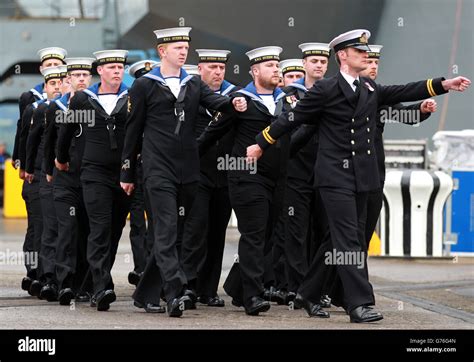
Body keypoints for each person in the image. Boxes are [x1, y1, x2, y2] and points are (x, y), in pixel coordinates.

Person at [247, 29, 471, 322]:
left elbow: (405, 91)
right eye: (360, 52)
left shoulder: (370, 89)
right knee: (348, 240)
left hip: (364, 178)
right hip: (334, 178)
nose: (366, 56)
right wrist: (261, 143)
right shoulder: (326, 89)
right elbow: (293, 118)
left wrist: (444, 84)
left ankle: (309, 292)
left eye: (366, 52)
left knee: (340, 241)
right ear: (343, 55)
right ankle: (359, 303)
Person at [120, 27, 247, 317]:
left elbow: (217, 103)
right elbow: (133, 130)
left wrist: (234, 103)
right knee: (165, 231)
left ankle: (145, 293)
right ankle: (175, 292)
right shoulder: (144, 85)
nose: (183, 50)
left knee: (175, 234)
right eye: (177, 46)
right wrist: (127, 172)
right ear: (162, 51)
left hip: (188, 171)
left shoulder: (193, 84)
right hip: (157, 168)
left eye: (185, 46)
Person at [198, 46, 292, 316]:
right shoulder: (241, 101)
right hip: (246, 178)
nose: (276, 69)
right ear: (254, 71)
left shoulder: (285, 101)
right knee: (253, 234)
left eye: (277, 65)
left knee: (267, 236)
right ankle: (252, 295)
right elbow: (210, 135)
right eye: (270, 66)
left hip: (278, 178)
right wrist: (187, 164)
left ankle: (237, 285)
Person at [56, 49, 131, 312]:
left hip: (123, 174)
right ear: (100, 71)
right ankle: (102, 287)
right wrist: (61, 159)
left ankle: (92, 280)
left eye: (120, 68)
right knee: (99, 228)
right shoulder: (82, 101)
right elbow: (66, 131)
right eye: (111, 68)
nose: (117, 71)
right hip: (94, 173)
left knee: (114, 230)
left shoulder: (130, 98)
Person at [180, 49, 238, 307]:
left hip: (225, 174)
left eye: (221, 68)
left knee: (217, 232)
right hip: (197, 172)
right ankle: (188, 285)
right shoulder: (188, 94)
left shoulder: (235, 97)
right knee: (195, 229)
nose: (217, 72)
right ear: (200, 69)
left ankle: (208, 289)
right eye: (212, 67)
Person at [14, 47, 67, 295]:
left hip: (58, 171)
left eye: (58, 64)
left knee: (55, 225)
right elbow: (22, 133)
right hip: (36, 169)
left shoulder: (70, 100)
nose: (53, 67)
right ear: (42, 69)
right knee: (37, 225)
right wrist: (21, 163)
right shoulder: (31, 99)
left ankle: (53, 274)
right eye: (49, 65)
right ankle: (34, 272)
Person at [43, 57, 95, 305]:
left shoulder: (97, 106)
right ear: (68, 81)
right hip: (64, 179)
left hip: (89, 179)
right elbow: (49, 143)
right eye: (77, 76)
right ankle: (64, 282)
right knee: (67, 230)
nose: (82, 79)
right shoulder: (57, 108)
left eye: (86, 76)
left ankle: (83, 284)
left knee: (87, 231)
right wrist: (50, 170)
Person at [25, 65, 70, 301]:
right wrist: (28, 169)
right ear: (46, 86)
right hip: (46, 174)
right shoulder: (42, 109)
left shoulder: (75, 108)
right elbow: (31, 143)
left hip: (69, 177)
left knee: (68, 230)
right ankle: (47, 277)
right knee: (48, 228)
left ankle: (68, 278)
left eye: (60, 82)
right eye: (53, 83)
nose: (57, 87)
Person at [125, 59, 159, 287]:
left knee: (156, 222)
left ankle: (151, 267)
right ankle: (140, 266)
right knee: (138, 222)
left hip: (154, 166)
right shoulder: (131, 101)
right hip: (136, 168)